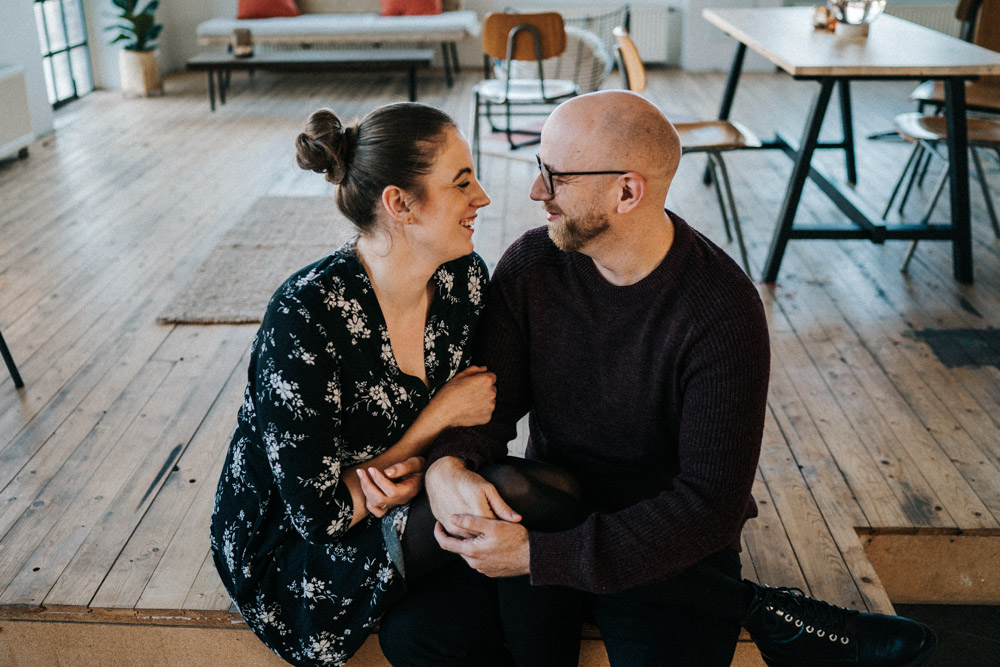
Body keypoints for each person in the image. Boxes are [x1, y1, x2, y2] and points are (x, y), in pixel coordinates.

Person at [378, 91, 936, 667]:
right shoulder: (533, 267)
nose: (535, 191)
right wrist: (447, 466)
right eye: (538, 168)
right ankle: (761, 610)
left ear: (627, 191)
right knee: (415, 633)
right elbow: (486, 411)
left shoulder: (720, 308)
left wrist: (543, 557)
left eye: (556, 176)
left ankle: (765, 612)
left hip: (665, 543)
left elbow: (708, 505)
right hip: (546, 506)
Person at [209, 102, 506, 666]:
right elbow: (318, 516)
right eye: (462, 182)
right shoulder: (305, 315)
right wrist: (435, 422)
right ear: (399, 204)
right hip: (293, 550)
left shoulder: (464, 279)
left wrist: (429, 464)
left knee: (524, 504)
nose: (482, 198)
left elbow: (479, 421)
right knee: (516, 496)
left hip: (393, 498)